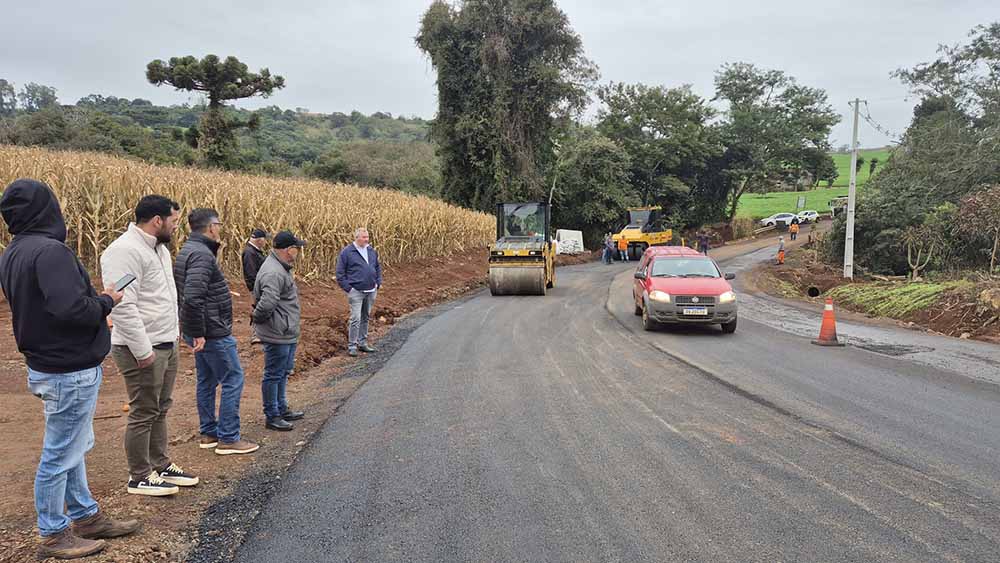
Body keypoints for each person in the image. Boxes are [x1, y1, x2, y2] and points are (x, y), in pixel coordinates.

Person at [0, 179, 140, 560]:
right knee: (60, 453)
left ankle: (85, 515)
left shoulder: (14, 251)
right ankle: (52, 532)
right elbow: (72, 310)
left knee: (72, 446)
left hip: (47, 365)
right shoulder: (51, 252)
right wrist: (106, 301)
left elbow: (49, 307)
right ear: (47, 208)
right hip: (69, 369)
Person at [100, 195, 196, 498]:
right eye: (174, 221)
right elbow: (123, 306)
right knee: (143, 410)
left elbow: (162, 298)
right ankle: (139, 476)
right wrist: (143, 351)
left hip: (166, 342)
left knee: (160, 407)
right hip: (141, 349)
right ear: (157, 220)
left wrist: (175, 334)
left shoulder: (159, 249)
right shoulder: (123, 251)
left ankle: (161, 465)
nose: (176, 226)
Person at [174, 208, 258, 456]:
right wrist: (198, 332)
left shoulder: (188, 250)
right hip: (211, 331)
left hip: (202, 329)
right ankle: (229, 438)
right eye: (218, 225)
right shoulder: (201, 255)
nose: (220, 229)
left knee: (207, 380)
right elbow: (193, 297)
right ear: (211, 227)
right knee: (233, 379)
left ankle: (209, 433)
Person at [253, 231, 307, 431]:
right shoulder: (274, 272)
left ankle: (282, 408)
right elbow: (267, 303)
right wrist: (258, 319)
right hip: (277, 332)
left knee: (282, 372)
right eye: (296, 248)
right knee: (274, 374)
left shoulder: (281, 267)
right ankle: (272, 415)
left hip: (285, 330)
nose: (298, 252)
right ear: (288, 250)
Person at [336, 227, 382, 357]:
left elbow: (377, 267)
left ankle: (362, 343)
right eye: (364, 237)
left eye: (367, 237)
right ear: (357, 238)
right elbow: (340, 273)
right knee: (355, 318)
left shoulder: (371, 251)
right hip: (356, 291)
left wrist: (378, 282)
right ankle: (352, 345)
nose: (367, 240)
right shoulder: (347, 252)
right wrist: (349, 289)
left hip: (371, 290)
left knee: (365, 317)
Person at [242, 229, 270, 344]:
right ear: (260, 240)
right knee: (259, 308)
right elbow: (251, 273)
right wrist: (256, 289)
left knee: (260, 307)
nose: (266, 242)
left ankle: (261, 333)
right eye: (265, 239)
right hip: (257, 287)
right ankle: (256, 335)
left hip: (260, 286)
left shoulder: (255, 251)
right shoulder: (250, 253)